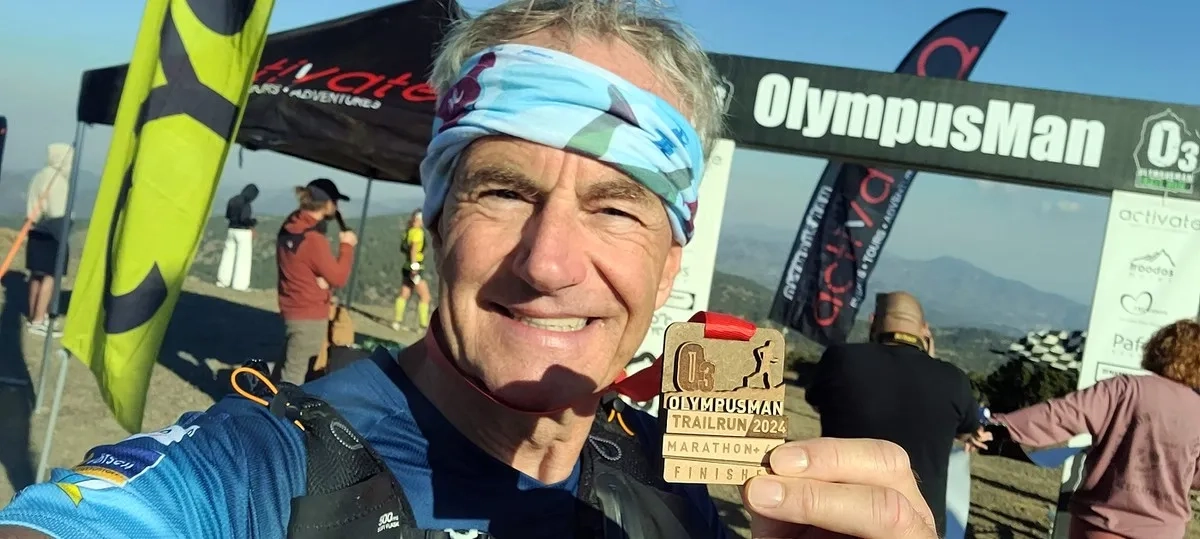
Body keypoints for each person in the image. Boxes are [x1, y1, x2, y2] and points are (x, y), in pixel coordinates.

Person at [0, 2, 937, 538]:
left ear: (668, 267)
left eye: (615, 206)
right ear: (440, 222)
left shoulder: (673, 486)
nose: (550, 261)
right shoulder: (265, 469)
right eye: (504, 192)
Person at [980, 318, 1200, 539]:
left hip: (1101, 524)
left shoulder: (1126, 389)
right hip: (1164, 532)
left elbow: (1061, 414)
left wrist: (997, 425)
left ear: (1158, 349)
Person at [805, 291, 987, 537]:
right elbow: (968, 432)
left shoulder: (840, 359)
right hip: (917, 526)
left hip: (838, 520)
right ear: (925, 330)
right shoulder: (954, 380)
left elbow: (817, 402)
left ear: (873, 321)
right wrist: (931, 360)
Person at [275, 178, 357, 385]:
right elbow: (339, 277)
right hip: (309, 313)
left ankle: (266, 399)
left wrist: (317, 278)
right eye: (335, 202)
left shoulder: (291, 225)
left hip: (291, 306)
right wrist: (347, 246)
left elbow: (300, 263)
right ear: (328, 204)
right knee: (295, 375)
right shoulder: (313, 240)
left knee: (288, 364)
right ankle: (280, 406)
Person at [23, 142, 73, 338]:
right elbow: (57, 212)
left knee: (36, 275)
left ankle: (33, 316)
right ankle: (40, 319)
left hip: (34, 229)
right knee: (51, 276)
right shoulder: (58, 180)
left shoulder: (39, 176)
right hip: (52, 231)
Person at [392, 209, 432, 330]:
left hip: (406, 266)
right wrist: (415, 267)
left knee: (404, 293)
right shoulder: (418, 233)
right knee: (425, 296)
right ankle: (423, 325)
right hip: (415, 267)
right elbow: (414, 249)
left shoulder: (408, 231)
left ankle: (397, 321)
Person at [216, 183, 260, 291]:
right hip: (243, 232)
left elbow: (227, 215)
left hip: (231, 230)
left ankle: (222, 281)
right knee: (243, 259)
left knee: (227, 256)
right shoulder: (246, 203)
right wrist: (253, 222)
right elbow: (244, 218)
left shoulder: (232, 200)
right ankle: (240, 285)